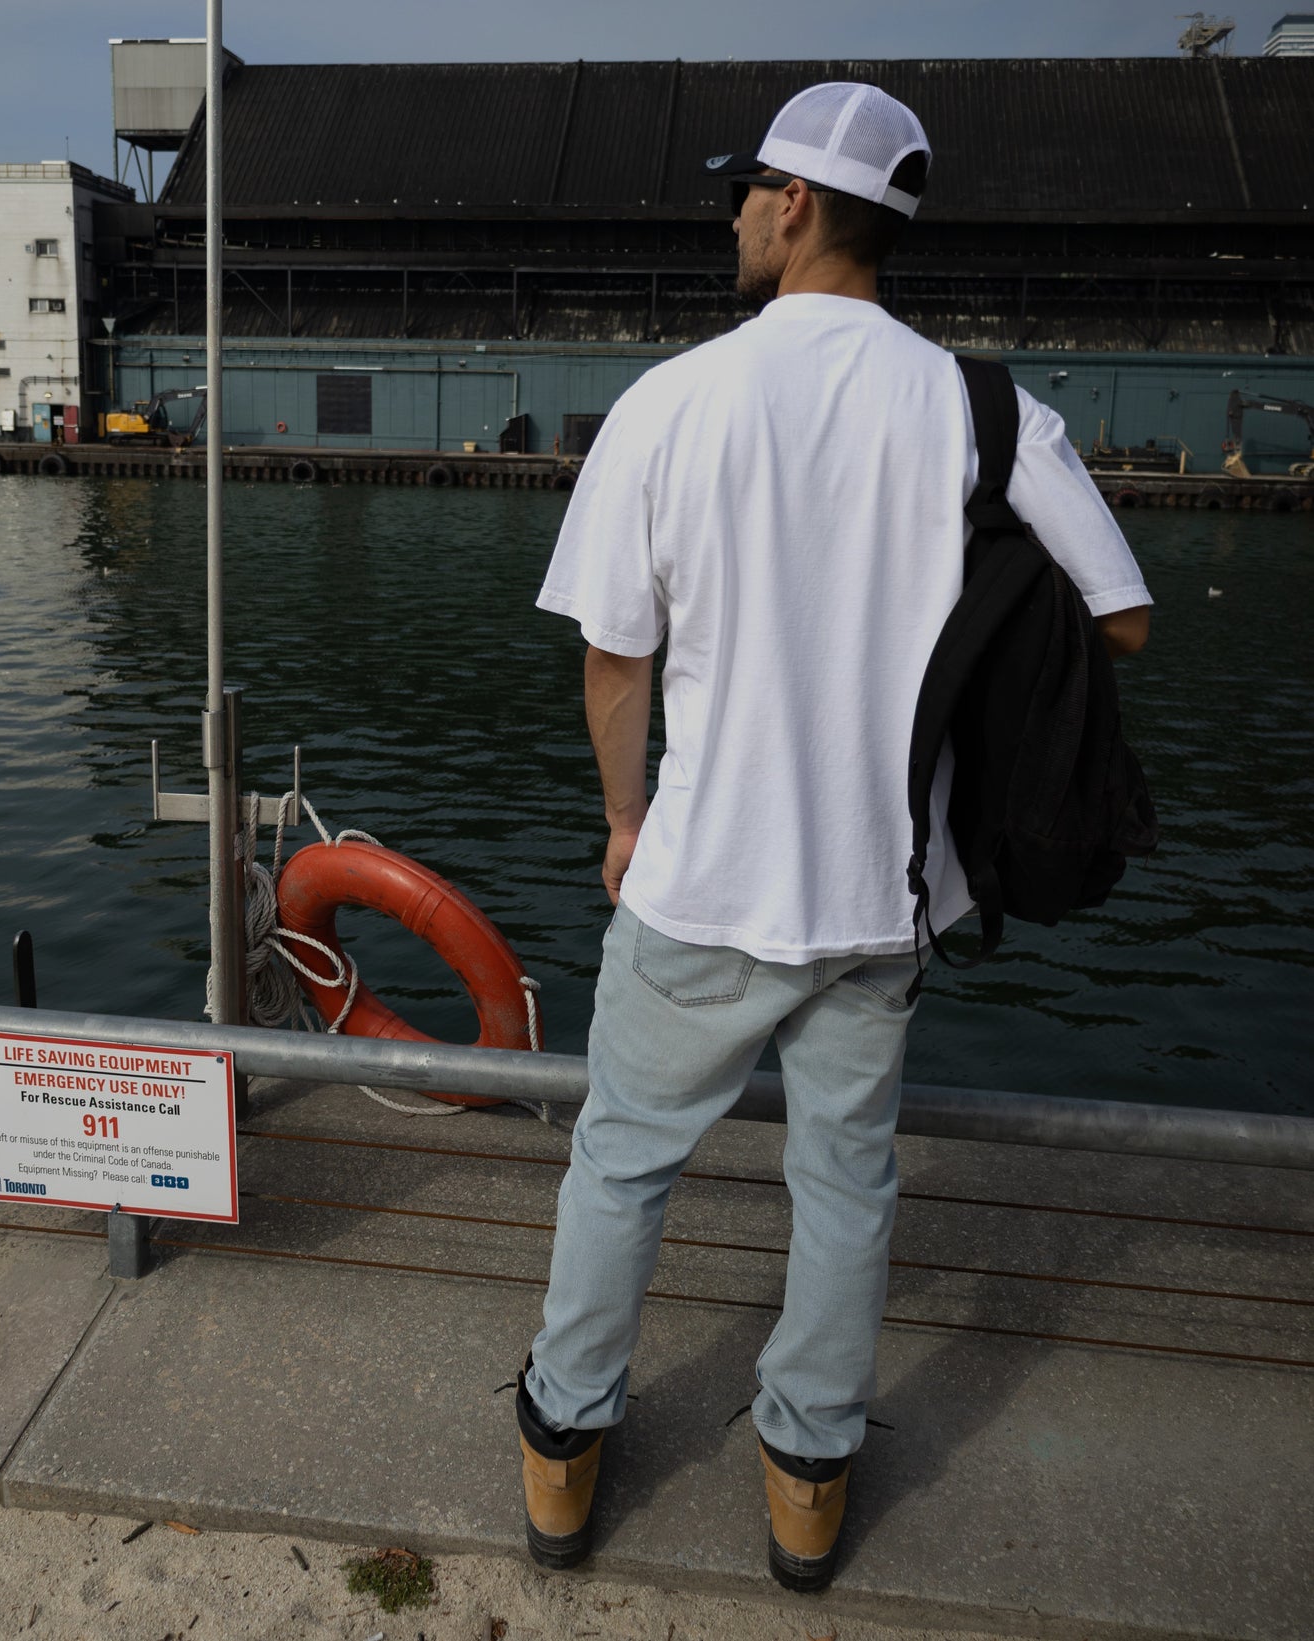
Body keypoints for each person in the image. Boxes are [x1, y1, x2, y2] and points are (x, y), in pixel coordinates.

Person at [516, 82, 1152, 1591]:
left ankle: (562, 1463)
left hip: (699, 884)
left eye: (747, 192)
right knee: (845, 1192)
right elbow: (1119, 618)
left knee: (619, 1169)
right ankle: (806, 1485)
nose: (734, 213)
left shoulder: (674, 400)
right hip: (876, 901)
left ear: (794, 204)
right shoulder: (984, 408)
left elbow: (613, 661)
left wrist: (624, 819)